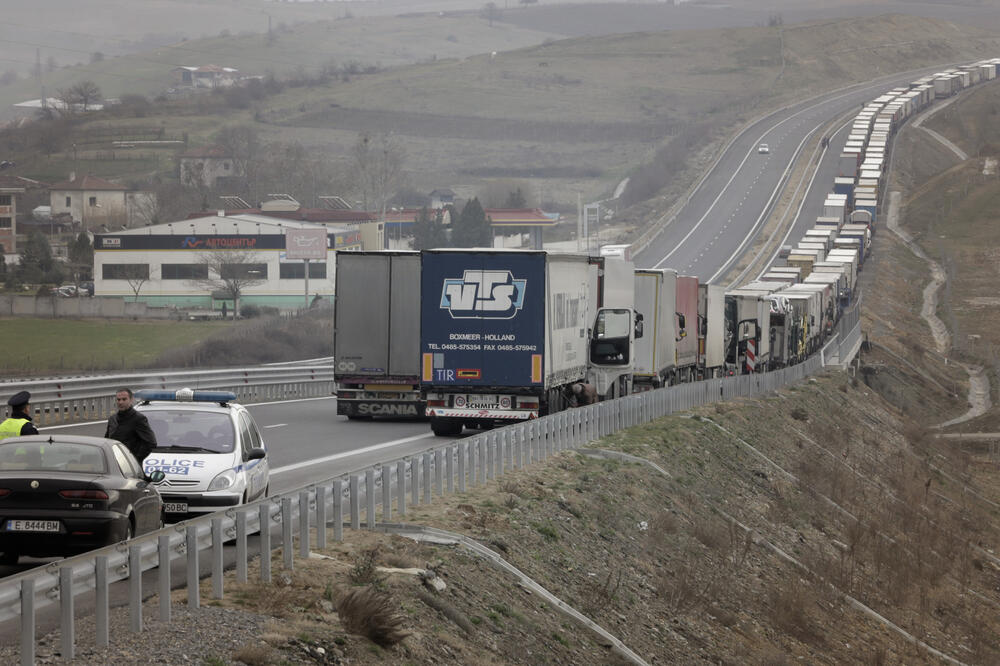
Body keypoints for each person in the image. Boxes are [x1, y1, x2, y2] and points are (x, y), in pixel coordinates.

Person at [105, 388, 157, 464]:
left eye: (124, 399)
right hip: (113, 463)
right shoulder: (112, 419)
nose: (121, 402)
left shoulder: (139, 419)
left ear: (131, 400)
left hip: (131, 465)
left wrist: (135, 459)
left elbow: (151, 443)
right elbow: (107, 440)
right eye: (118, 400)